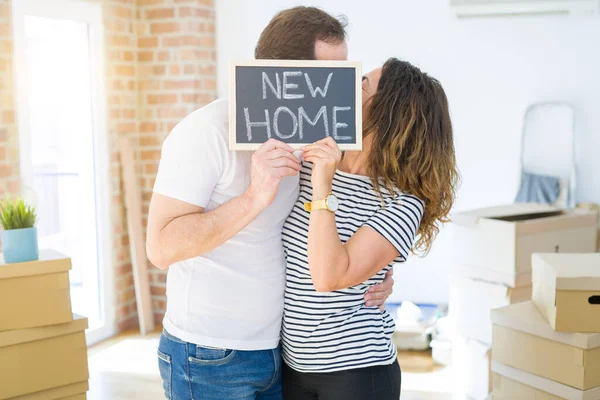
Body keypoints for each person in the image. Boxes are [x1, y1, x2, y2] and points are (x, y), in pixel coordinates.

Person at [145, 7, 395, 400]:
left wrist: (376, 276)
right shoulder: (205, 132)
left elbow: (344, 223)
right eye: (332, 76)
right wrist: (253, 198)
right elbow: (160, 248)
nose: (344, 91)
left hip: (277, 353)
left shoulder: (314, 135)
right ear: (281, 74)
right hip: (208, 354)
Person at [281, 58, 459, 399]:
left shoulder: (404, 203)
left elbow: (328, 277)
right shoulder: (309, 160)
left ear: (389, 112)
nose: (349, 87)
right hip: (291, 365)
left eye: (363, 84)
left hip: (358, 373)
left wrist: (323, 185)